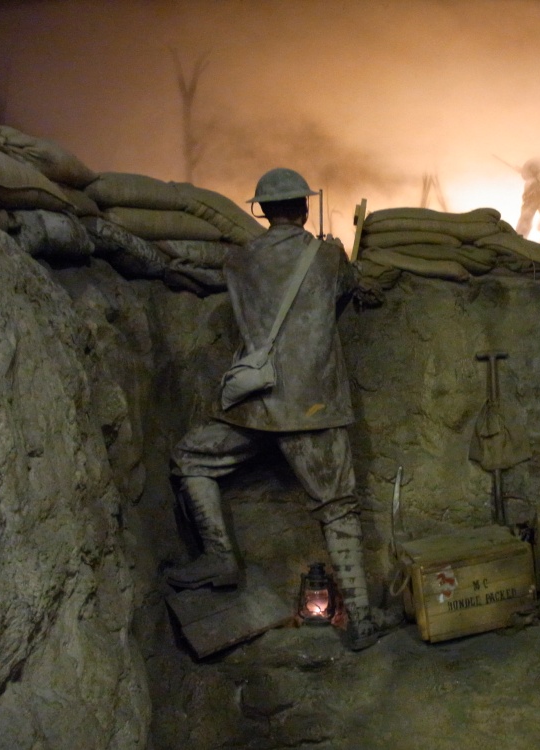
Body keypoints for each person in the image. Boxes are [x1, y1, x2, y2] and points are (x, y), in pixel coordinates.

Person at [166, 167, 378, 650]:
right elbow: (348, 286)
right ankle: (362, 620)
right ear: (305, 207)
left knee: (191, 458)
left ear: (261, 210)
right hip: (312, 406)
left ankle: (219, 557)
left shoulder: (240, 259)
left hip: (255, 405)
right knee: (338, 507)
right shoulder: (327, 255)